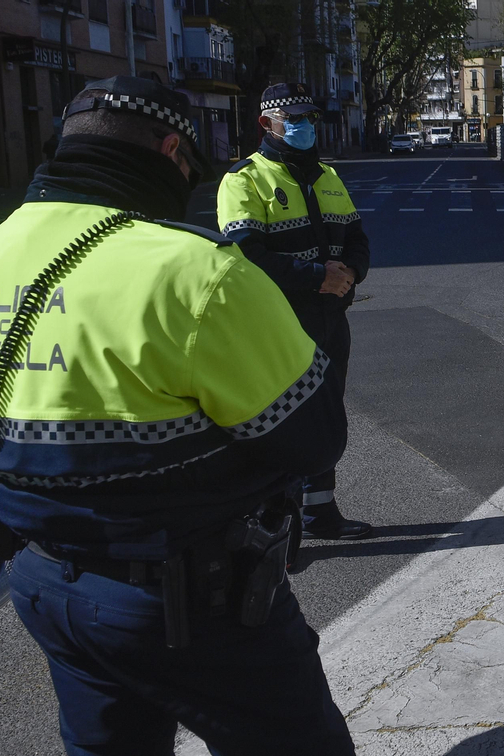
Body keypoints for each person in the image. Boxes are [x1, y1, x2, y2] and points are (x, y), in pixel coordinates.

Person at [0, 77, 416, 756]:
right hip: (202, 598)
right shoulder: (193, 274)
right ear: (169, 155)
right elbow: (311, 439)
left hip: (47, 589)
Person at [217, 82, 373, 540]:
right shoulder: (245, 179)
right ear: (267, 123)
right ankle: (273, 524)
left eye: (311, 120)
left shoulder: (327, 174)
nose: (307, 127)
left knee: (325, 415)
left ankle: (320, 513)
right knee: (280, 420)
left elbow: (357, 236)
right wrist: (315, 275)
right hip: (280, 321)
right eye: (297, 120)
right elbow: (243, 253)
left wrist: (351, 273)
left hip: (330, 316)